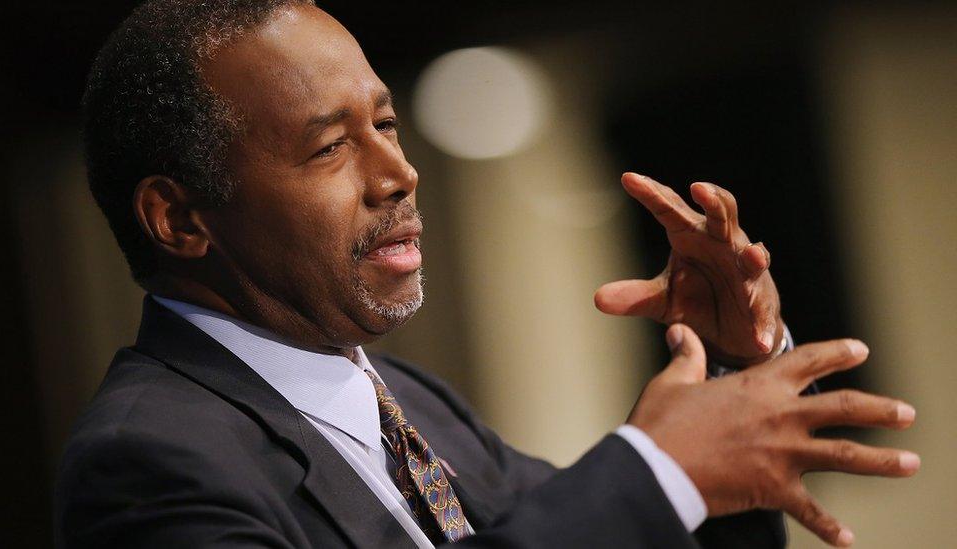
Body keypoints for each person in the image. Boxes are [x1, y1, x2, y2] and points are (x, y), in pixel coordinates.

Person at [55, 1, 920, 547]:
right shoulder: (147, 459)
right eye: (328, 146)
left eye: (387, 123)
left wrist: (726, 371)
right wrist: (656, 467)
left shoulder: (408, 404)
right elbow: (617, 508)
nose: (397, 172)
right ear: (179, 218)